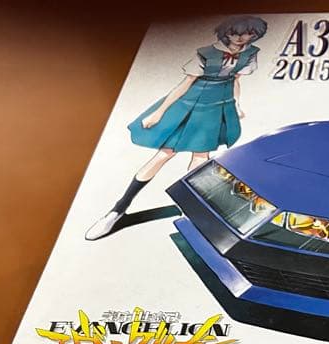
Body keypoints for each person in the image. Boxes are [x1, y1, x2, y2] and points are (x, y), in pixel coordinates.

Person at [85, 15, 268, 240]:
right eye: (235, 33)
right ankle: (117, 210)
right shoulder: (206, 53)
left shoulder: (250, 53)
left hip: (216, 108)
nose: (241, 38)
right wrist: (159, 112)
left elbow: (235, 80)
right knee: (164, 154)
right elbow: (184, 85)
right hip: (190, 105)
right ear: (226, 33)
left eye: (249, 33)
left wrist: (237, 104)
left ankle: (195, 214)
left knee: (200, 159)